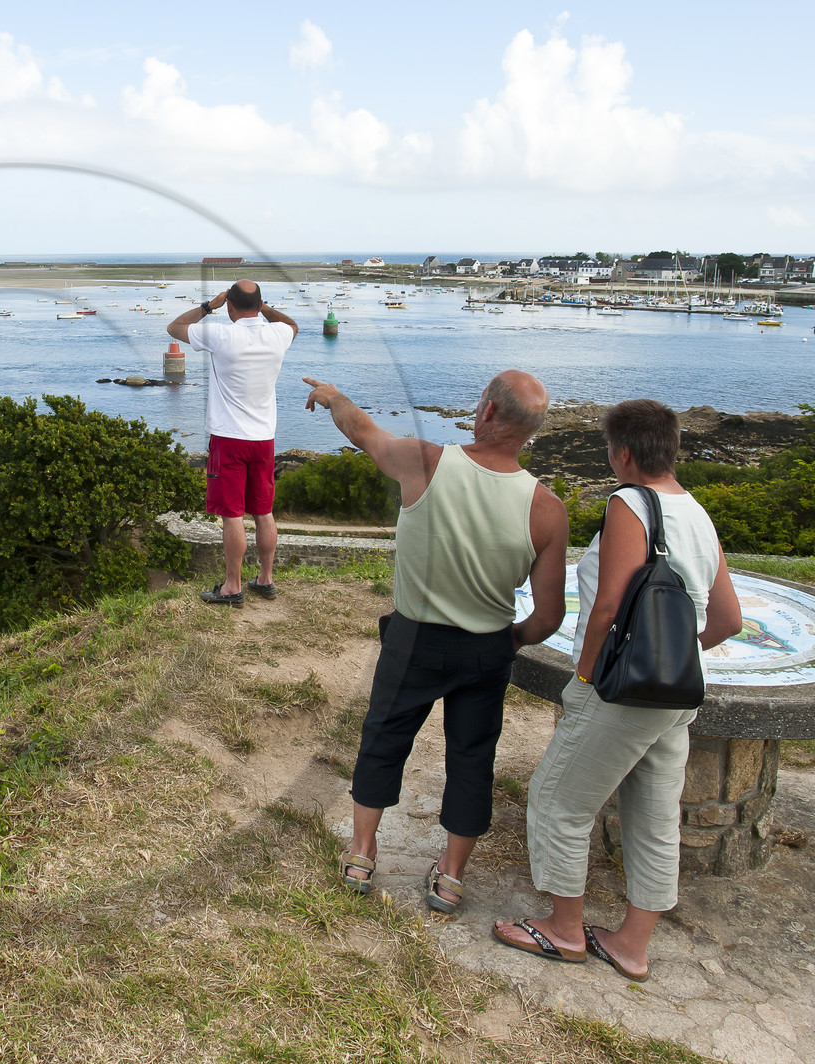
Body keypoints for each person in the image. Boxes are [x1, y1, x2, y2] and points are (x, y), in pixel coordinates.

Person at [493, 400, 741, 981]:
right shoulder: (698, 515)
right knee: (655, 817)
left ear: (624, 453)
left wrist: (585, 677)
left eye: (609, 450)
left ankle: (563, 930)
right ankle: (632, 945)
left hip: (620, 691)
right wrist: (672, 657)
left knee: (560, 799)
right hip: (678, 695)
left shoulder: (629, 503)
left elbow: (607, 605)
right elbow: (727, 619)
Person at [302, 371, 568, 912]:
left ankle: (361, 853)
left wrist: (336, 396)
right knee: (473, 758)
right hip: (487, 648)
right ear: (532, 430)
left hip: (414, 639)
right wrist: (508, 640)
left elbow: (363, 432)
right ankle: (449, 875)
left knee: (383, 739)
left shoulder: (426, 460)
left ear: (488, 411)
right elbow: (549, 616)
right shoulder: (545, 509)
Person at [167, 280, 298, 607]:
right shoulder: (277, 335)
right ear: (259, 305)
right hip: (263, 439)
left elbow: (175, 327)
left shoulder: (221, 335)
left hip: (228, 439)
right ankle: (265, 579)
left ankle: (232, 587)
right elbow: (292, 324)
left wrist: (208, 306)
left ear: (230, 305)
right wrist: (264, 308)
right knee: (263, 512)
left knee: (232, 516)